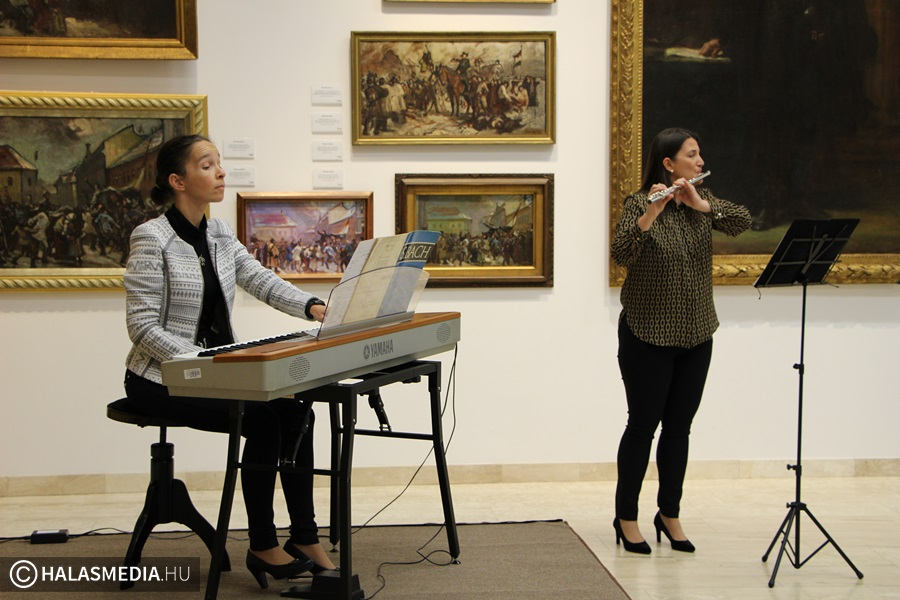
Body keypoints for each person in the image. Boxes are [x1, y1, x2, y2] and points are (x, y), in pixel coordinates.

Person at [123, 134, 336, 588]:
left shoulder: (218, 233)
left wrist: (312, 305)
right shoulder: (151, 238)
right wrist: (203, 361)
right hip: (159, 378)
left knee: (297, 413)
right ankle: (262, 544)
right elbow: (142, 327)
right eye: (207, 165)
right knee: (263, 421)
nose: (221, 172)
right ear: (177, 181)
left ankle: (304, 537)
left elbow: (260, 278)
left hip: (216, 370)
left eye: (218, 163)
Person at [610, 128, 751, 554]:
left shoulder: (699, 203)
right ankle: (626, 517)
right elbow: (621, 253)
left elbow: (742, 221)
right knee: (642, 427)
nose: (700, 160)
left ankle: (668, 514)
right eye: (692, 154)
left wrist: (701, 204)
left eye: (699, 154)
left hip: (697, 333)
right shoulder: (639, 203)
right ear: (669, 163)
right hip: (647, 333)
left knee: (679, 429)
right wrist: (652, 213)